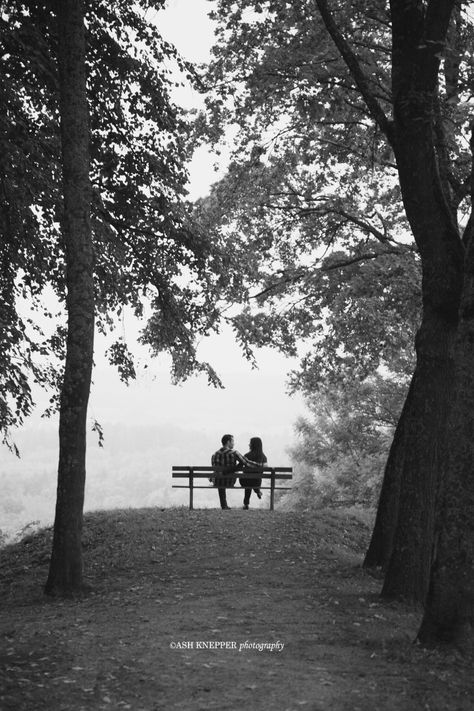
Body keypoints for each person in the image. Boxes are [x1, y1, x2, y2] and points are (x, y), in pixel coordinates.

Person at [211, 434, 258, 510]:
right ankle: (225, 505)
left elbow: (214, 468)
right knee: (227, 474)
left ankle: (224, 505)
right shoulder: (234, 453)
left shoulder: (215, 454)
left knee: (220, 478)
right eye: (232, 441)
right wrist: (258, 465)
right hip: (230, 481)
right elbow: (247, 463)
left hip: (217, 481)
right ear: (228, 442)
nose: (234, 443)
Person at [239, 436, 267, 510]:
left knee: (248, 481)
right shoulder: (263, 457)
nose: (249, 445)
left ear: (253, 445)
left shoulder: (247, 456)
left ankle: (246, 504)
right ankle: (257, 490)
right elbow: (264, 469)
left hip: (245, 481)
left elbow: (241, 468)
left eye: (250, 443)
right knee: (254, 480)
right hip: (257, 482)